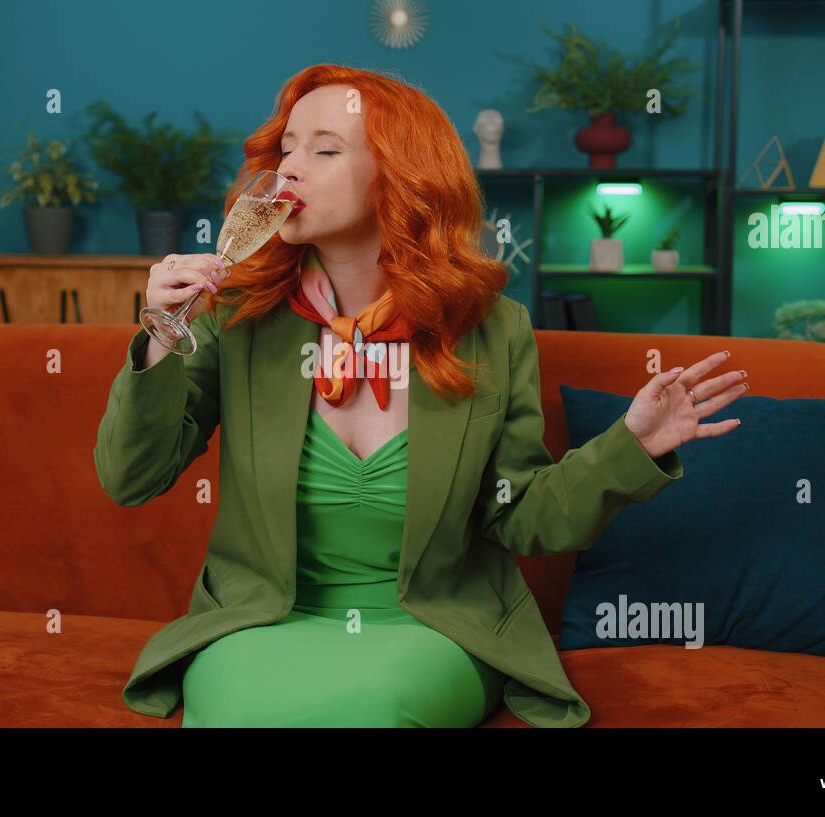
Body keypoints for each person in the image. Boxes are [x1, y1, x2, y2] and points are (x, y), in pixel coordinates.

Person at [96, 64, 748, 728]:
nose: (290, 167)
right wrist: (158, 337)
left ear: (401, 176)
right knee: (244, 708)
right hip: (260, 623)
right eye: (286, 147)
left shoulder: (492, 331)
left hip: (428, 626)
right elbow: (130, 477)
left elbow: (521, 515)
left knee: (372, 710)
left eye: (324, 149)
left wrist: (629, 446)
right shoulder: (234, 318)